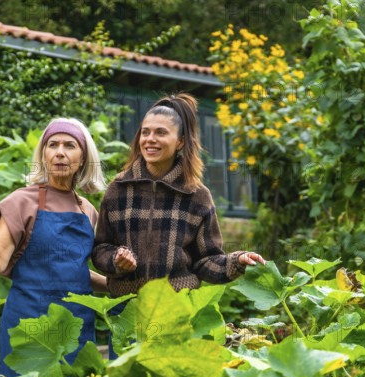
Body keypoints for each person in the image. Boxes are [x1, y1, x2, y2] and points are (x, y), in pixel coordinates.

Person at [0, 117, 107, 377]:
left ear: (84, 156)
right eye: (52, 145)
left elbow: (73, 272)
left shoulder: (87, 210)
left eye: (70, 145)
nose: (60, 152)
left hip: (75, 326)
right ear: (43, 154)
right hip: (29, 325)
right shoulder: (22, 202)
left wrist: (118, 285)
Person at [92, 93, 265, 302]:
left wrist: (237, 261)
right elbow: (101, 248)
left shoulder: (197, 196)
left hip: (177, 307)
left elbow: (206, 260)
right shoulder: (118, 189)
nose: (150, 139)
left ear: (180, 142)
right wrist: (116, 260)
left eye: (161, 133)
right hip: (126, 309)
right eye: (145, 132)